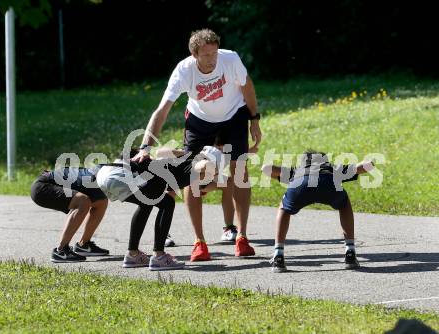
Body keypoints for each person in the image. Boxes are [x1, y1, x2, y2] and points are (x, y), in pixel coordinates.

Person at [132, 28, 262, 261]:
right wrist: (145, 147)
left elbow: (247, 86)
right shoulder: (184, 71)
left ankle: (241, 237)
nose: (212, 59)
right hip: (199, 121)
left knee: (239, 172)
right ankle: (199, 242)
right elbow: (161, 111)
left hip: (234, 116)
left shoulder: (230, 59)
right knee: (189, 174)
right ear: (194, 55)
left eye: (214, 53)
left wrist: (254, 119)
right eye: (206, 55)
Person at [97, 146, 218, 270]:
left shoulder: (179, 166)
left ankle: (133, 255)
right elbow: (205, 166)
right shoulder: (192, 164)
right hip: (119, 173)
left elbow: (212, 185)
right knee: (167, 203)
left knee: (147, 203)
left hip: (106, 174)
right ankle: (159, 256)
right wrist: (207, 161)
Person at [261, 150, 375, 272]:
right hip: (328, 183)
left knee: (284, 208)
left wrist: (281, 172)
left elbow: (266, 169)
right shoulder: (332, 168)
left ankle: (278, 254)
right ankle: (350, 251)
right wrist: (371, 162)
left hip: (301, 184)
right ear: (325, 161)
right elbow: (363, 167)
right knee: (344, 204)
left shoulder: (298, 170)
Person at [30, 166, 109, 263]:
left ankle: (84, 245)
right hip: (42, 187)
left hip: (53, 183)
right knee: (83, 201)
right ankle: (61, 251)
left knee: (102, 201)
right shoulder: (101, 174)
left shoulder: (107, 172)